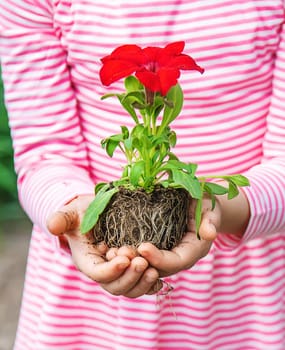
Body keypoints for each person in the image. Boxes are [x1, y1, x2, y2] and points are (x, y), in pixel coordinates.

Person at [0, 1, 285, 349]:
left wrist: (217, 208)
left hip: (242, 294)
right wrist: (74, 209)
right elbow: (44, 152)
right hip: (87, 298)